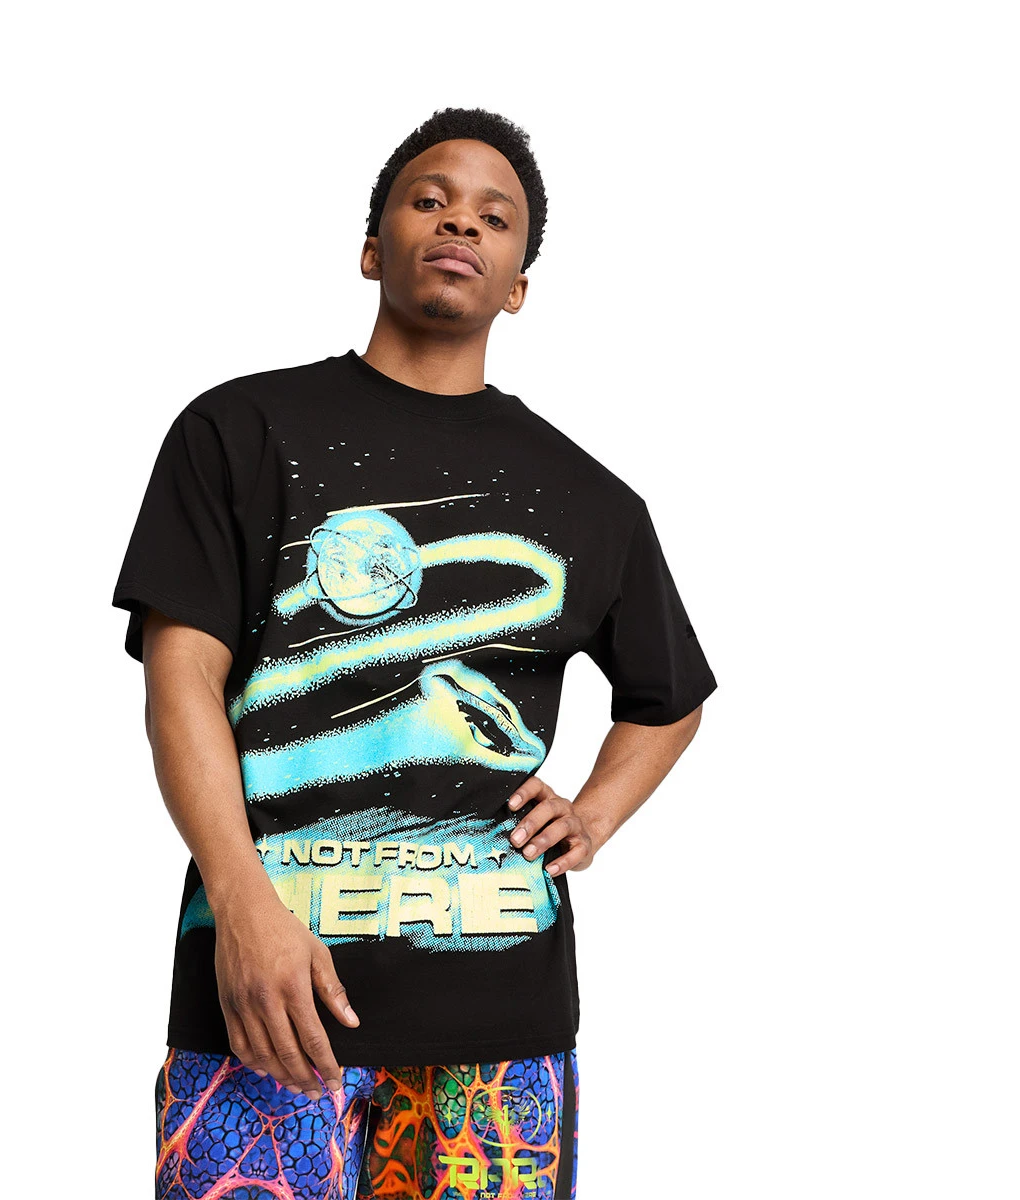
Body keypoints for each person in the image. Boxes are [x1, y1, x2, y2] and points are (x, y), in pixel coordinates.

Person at [113, 105, 716, 1200]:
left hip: (501, 1027)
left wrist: (594, 814)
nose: (460, 223)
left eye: (495, 216)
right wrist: (241, 905)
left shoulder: (591, 498)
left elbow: (668, 695)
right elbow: (181, 677)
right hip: (262, 1000)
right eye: (430, 200)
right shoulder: (238, 432)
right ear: (371, 247)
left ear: (519, 285)